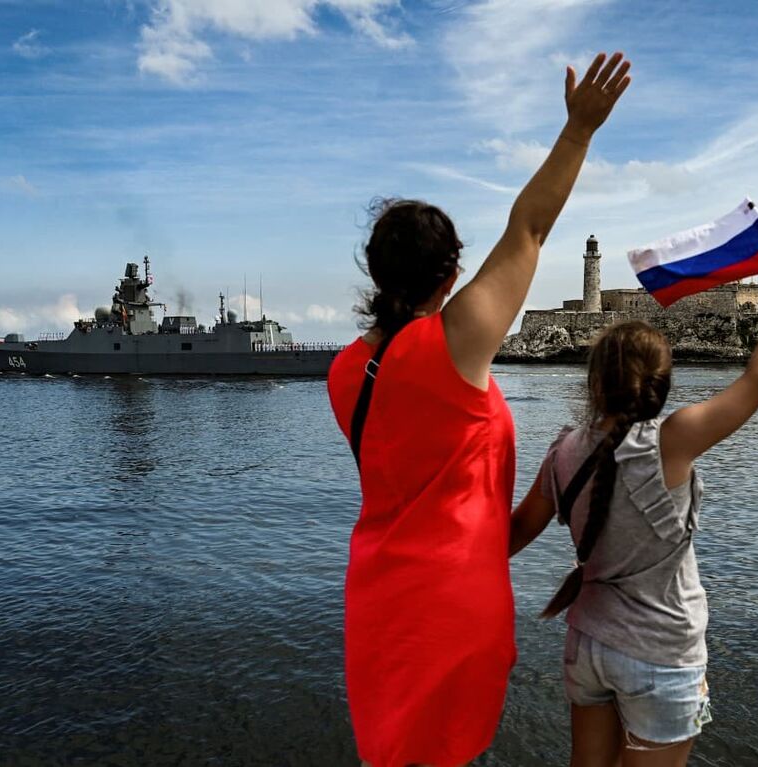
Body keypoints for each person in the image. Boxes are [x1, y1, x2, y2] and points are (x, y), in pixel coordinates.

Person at [327, 53, 632, 767]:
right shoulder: (454, 346)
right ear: (452, 274)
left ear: (375, 275)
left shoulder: (345, 370)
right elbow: (527, 231)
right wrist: (579, 132)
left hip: (378, 605)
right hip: (451, 606)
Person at [508, 263, 758, 766]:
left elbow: (516, 531)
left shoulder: (563, 450)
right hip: (660, 650)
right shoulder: (668, 443)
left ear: (594, 381)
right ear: (660, 381)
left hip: (587, 643)